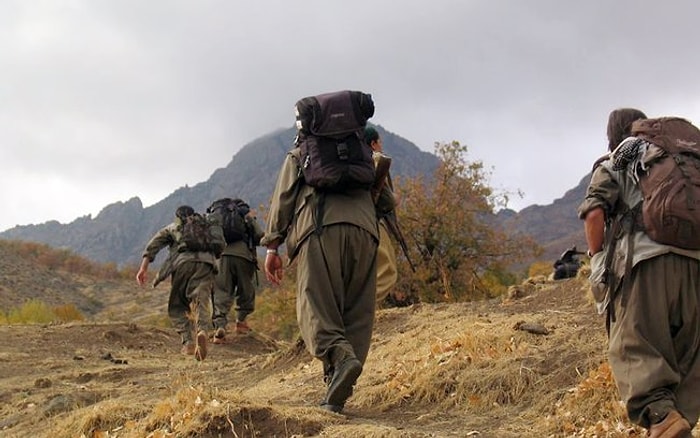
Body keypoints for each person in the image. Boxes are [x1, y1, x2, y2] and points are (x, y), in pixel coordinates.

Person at [578, 108, 700, 437]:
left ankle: (662, 419)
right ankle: (678, 422)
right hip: (695, 269)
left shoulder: (621, 157)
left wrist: (597, 256)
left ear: (612, 136)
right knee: (686, 357)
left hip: (646, 268)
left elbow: (594, 213)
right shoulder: (679, 159)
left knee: (634, 347)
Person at [262, 132, 379, 414]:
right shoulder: (363, 151)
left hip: (320, 228)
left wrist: (272, 246)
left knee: (314, 305)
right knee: (356, 311)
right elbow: (387, 200)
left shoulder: (301, 152)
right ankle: (336, 389)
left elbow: (283, 198)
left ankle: (340, 358)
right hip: (366, 233)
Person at [136, 205, 225, 361]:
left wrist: (143, 268)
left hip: (183, 264)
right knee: (201, 300)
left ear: (177, 216)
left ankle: (188, 342)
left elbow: (153, 245)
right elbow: (220, 246)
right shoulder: (206, 225)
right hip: (207, 264)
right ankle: (202, 330)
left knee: (177, 306)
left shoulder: (174, 226)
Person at [211, 200, 264, 342]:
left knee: (221, 291)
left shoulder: (218, 216)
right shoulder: (244, 214)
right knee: (245, 289)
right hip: (243, 255)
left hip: (221, 256)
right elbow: (259, 235)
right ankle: (241, 322)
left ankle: (219, 327)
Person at [365, 127, 400, 305]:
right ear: (373, 143)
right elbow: (386, 201)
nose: (381, 146)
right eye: (379, 142)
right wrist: (395, 198)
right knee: (387, 271)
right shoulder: (375, 161)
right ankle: (361, 312)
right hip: (370, 221)